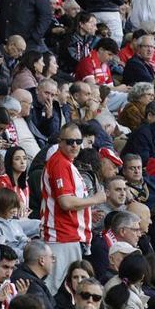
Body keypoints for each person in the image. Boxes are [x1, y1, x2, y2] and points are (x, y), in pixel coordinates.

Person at [40, 124, 107, 294]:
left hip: (68, 235)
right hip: (62, 236)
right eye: (70, 141)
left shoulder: (66, 163)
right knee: (54, 289)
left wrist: (86, 212)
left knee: (69, 290)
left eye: (78, 141)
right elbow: (65, 202)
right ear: (60, 142)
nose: (75, 145)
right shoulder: (60, 164)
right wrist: (96, 199)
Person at [11, 240, 56, 309]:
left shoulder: (24, 275)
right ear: (42, 260)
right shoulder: (28, 284)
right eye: (52, 257)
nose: (53, 261)